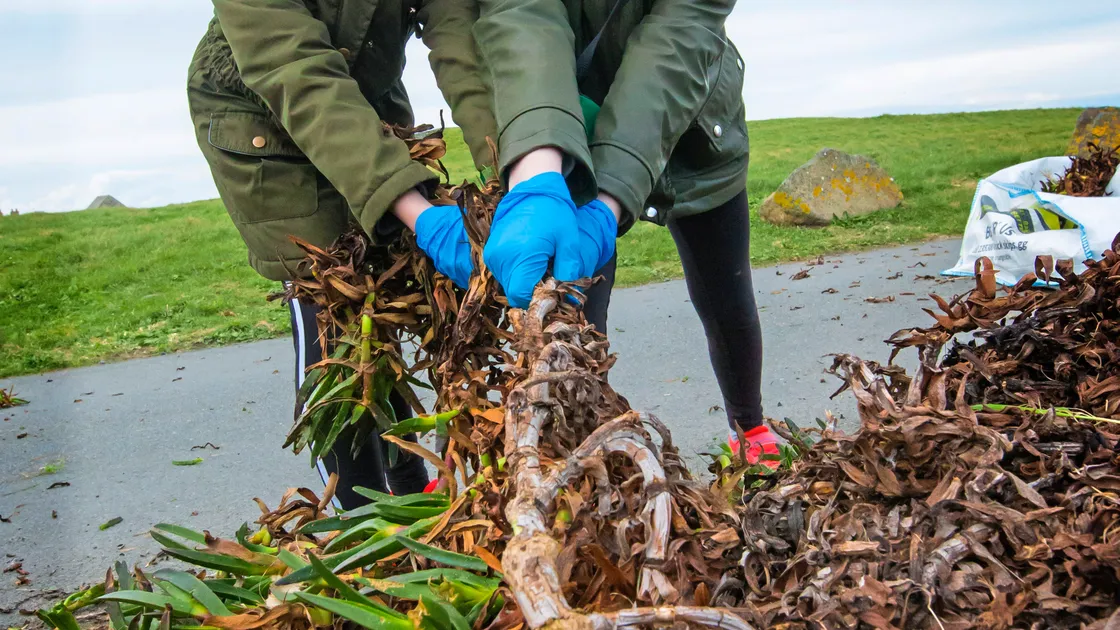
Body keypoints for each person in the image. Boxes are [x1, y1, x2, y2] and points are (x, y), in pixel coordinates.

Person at [186, 0, 498, 507]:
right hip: (263, 114)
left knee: (389, 291)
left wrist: (509, 162)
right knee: (332, 300)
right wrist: (415, 210)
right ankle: (364, 519)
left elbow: (457, 30)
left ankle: (413, 492)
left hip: (366, 97)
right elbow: (294, 69)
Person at [467, 0, 779, 465]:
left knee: (726, 296)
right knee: (572, 319)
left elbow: (678, 37)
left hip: (692, 119)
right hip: (566, 129)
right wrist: (537, 169)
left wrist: (609, 204)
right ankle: (577, 457)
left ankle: (750, 428)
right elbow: (521, 17)